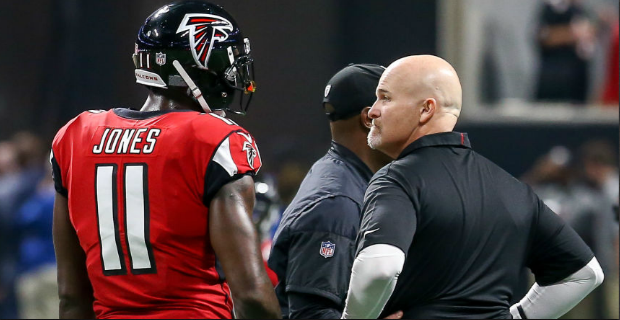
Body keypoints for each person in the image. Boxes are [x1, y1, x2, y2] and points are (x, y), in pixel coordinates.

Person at [51, 2, 279, 319]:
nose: (236, 69)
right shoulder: (214, 138)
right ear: (200, 58)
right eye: (230, 55)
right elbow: (252, 296)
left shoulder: (76, 136)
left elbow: (71, 298)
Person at [341, 55, 604, 319]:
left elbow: (379, 270)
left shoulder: (397, 180)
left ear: (426, 109)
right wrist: (518, 316)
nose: (372, 110)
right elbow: (584, 273)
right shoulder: (513, 189)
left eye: (385, 98)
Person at [268, 64, 394, 319]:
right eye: (399, 107)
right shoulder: (336, 202)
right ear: (370, 117)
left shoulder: (348, 179)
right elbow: (311, 314)